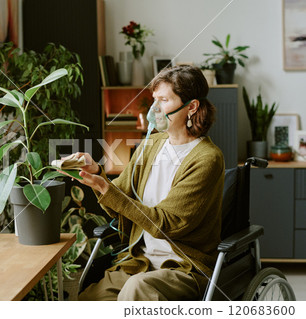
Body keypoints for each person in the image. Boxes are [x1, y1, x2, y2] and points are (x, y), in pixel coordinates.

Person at [68, 65, 225, 301]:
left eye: (164, 100)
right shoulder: (151, 144)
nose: (154, 109)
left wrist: (104, 187)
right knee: (87, 299)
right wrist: (96, 174)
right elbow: (118, 199)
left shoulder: (207, 158)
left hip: (183, 267)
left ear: (191, 107)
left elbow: (166, 224)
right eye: (154, 100)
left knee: (135, 289)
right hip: (140, 261)